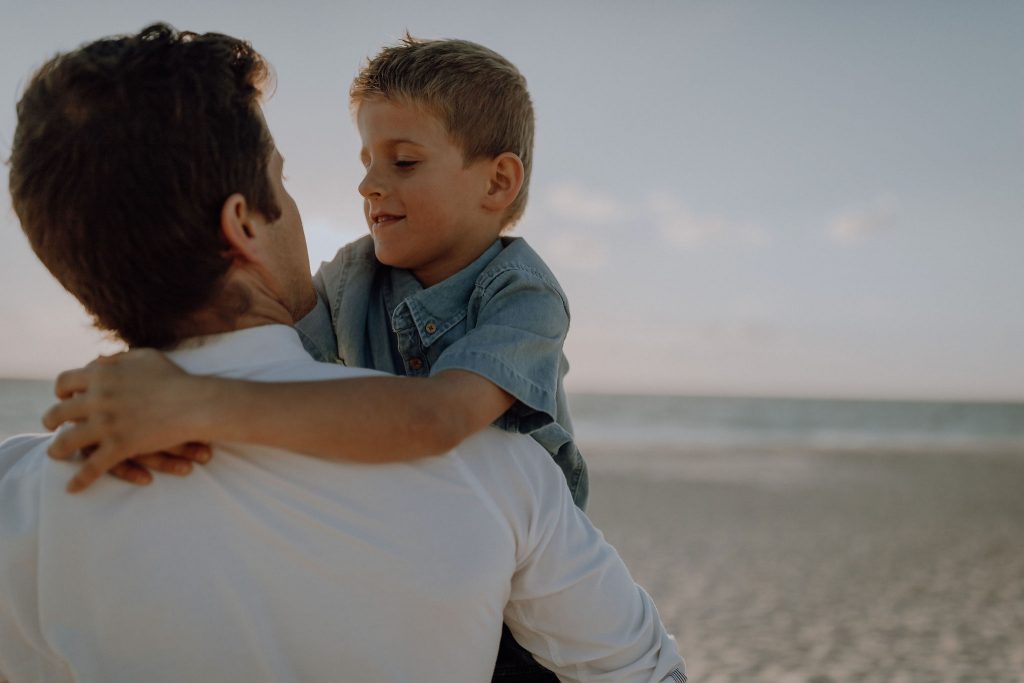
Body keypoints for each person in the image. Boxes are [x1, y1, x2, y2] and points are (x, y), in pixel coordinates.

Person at [0, 24, 687, 683]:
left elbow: (432, 414)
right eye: (285, 177)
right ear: (243, 224)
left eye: (404, 161)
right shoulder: (502, 482)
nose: (367, 187)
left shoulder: (24, 492)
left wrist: (181, 399)